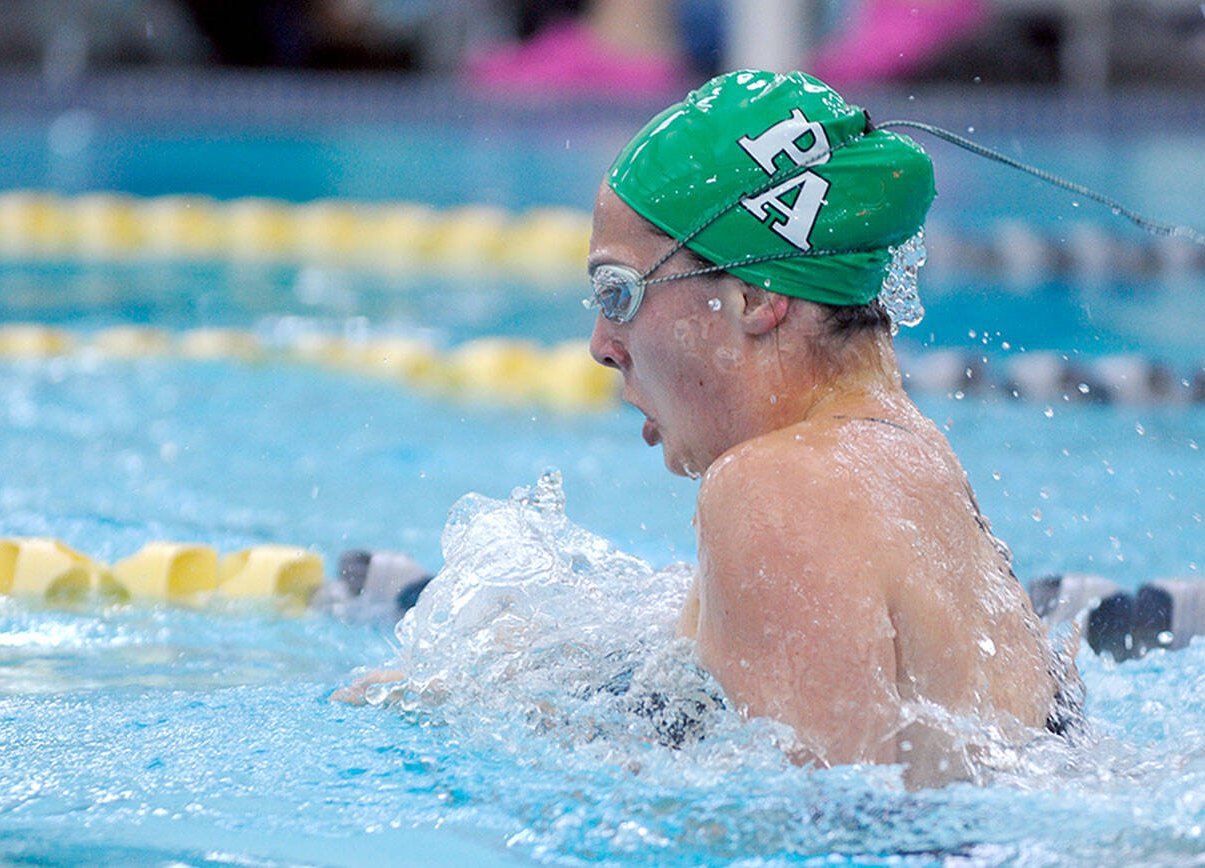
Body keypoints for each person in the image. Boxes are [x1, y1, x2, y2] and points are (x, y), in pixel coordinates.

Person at [335, 70, 1077, 785]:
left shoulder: (776, 489)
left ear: (753, 298)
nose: (600, 343)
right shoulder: (908, 461)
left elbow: (812, 831)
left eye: (618, 292)